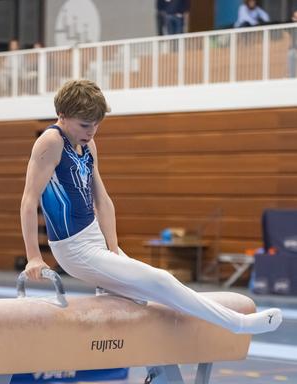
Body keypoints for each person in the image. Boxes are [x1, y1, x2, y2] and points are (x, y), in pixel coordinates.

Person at [20, 79, 282, 335]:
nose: (91, 132)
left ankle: (113, 286)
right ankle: (238, 324)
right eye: (85, 125)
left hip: (94, 239)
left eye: (97, 125)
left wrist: (113, 251)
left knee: (143, 296)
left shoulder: (88, 144)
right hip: (73, 248)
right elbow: (29, 200)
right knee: (161, 280)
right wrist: (34, 255)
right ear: (62, 115)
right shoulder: (50, 142)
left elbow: (103, 200)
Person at [287, 10, 297, 78]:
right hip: (295, 49)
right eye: (295, 17)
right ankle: (291, 77)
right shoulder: (292, 29)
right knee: (291, 53)